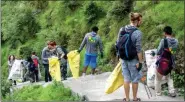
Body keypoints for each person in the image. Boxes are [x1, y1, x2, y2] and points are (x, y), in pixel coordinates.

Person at [116, 12, 143, 101]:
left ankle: (127, 99)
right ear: (137, 21)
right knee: (135, 79)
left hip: (123, 58)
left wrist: (118, 56)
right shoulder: (137, 32)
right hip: (133, 59)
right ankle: (135, 98)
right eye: (141, 20)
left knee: (126, 78)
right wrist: (140, 62)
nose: (141, 22)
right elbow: (138, 49)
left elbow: (117, 43)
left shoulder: (122, 29)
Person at [155, 26, 178, 97]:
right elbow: (173, 52)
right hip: (170, 62)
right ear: (171, 32)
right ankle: (172, 91)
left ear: (165, 33)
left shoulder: (163, 41)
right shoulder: (176, 41)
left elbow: (158, 51)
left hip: (162, 63)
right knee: (169, 77)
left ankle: (158, 93)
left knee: (158, 78)